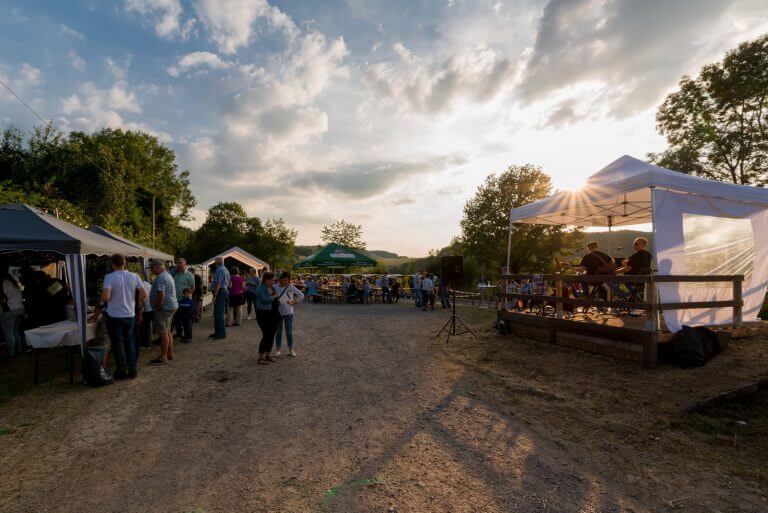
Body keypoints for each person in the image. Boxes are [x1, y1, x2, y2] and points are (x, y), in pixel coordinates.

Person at [101, 254, 146, 379]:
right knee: (130, 342)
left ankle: (121, 370)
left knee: (118, 344)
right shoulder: (134, 276)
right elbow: (143, 295)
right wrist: (134, 302)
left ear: (112, 263)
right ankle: (133, 369)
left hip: (114, 315)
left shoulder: (109, 277)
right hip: (130, 314)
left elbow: (106, 297)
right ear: (124, 262)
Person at [148, 260, 178, 366]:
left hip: (164, 308)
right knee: (167, 330)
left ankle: (164, 357)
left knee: (163, 332)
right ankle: (170, 354)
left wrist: (158, 307)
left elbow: (161, 294)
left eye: (152, 268)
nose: (151, 271)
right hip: (171, 306)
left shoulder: (160, 277)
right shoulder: (167, 275)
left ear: (157, 267)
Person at [273, 271, 305, 357]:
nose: (285, 282)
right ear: (280, 279)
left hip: (288, 312)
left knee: (289, 331)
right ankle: (278, 349)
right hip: (278, 312)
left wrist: (295, 302)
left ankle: (291, 349)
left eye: (287, 280)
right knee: (278, 332)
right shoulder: (275, 286)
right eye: (283, 280)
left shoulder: (290, 287)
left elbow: (301, 295)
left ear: (289, 281)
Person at [0, 265, 25, 358]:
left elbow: (3, 300)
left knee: (8, 333)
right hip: (19, 309)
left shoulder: (3, 283)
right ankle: (19, 351)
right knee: (15, 331)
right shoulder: (13, 283)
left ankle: (11, 354)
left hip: (9, 310)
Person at [255, 271, 280, 365]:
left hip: (273, 314)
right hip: (263, 314)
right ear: (267, 279)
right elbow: (264, 300)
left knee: (272, 334)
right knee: (266, 335)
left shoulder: (271, 287)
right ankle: (260, 357)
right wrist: (274, 296)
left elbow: (276, 299)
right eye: (273, 280)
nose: (274, 281)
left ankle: (268, 355)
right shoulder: (260, 288)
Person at [172, 258, 195, 338]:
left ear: (185, 264)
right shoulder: (174, 274)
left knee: (186, 319)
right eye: (177, 263)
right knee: (177, 318)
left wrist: (188, 296)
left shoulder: (189, 274)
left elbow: (192, 287)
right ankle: (179, 333)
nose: (178, 264)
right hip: (176, 300)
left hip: (185, 301)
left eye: (180, 263)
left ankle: (188, 336)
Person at [209, 256, 230, 340]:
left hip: (220, 292)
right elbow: (228, 283)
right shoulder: (225, 269)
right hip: (223, 291)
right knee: (217, 313)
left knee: (219, 313)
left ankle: (221, 333)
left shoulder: (220, 269)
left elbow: (218, 283)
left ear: (217, 262)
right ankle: (218, 332)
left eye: (215, 261)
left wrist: (214, 295)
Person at [138, 277, 154, 348]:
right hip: (149, 307)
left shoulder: (143, 285)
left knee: (146, 326)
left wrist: (141, 310)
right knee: (147, 325)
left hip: (147, 308)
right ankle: (147, 342)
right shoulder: (146, 284)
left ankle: (147, 343)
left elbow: (143, 299)